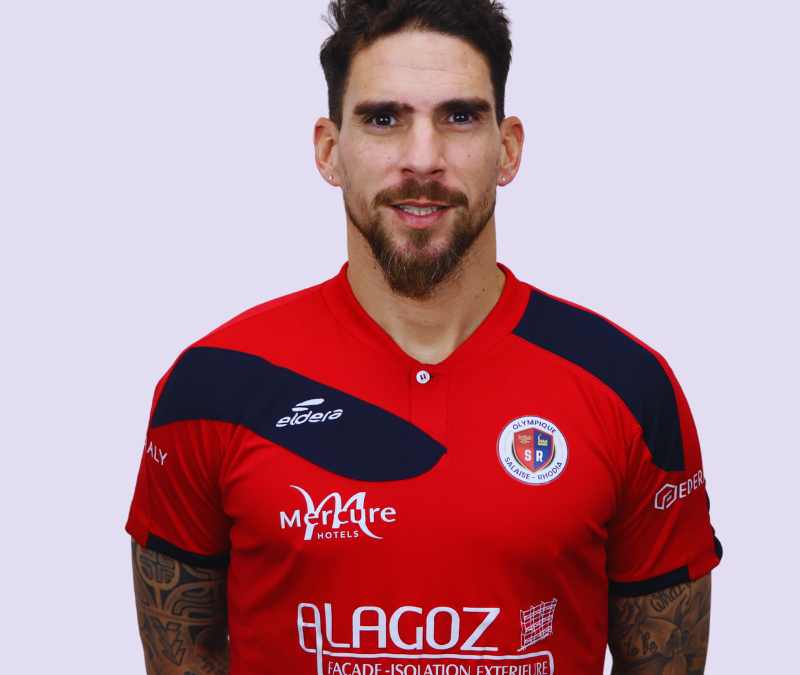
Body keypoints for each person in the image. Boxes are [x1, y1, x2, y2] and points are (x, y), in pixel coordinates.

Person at [126, 1, 722, 673]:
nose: (422, 159)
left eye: (459, 117)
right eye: (384, 119)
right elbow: (183, 654)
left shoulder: (629, 387)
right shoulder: (215, 384)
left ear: (508, 149)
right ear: (328, 150)